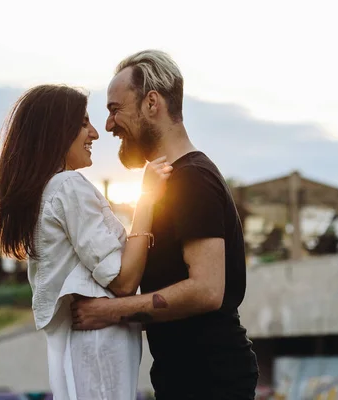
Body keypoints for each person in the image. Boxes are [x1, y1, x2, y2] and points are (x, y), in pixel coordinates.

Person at [71, 50, 260, 399]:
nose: (109, 125)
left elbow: (206, 290)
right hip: (187, 379)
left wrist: (110, 312)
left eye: (115, 110)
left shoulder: (192, 180)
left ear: (151, 103)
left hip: (211, 382)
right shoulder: (165, 186)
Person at [0, 84, 172, 400]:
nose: (95, 133)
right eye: (83, 122)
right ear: (57, 131)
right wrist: (147, 198)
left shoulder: (48, 191)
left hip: (86, 345)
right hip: (98, 346)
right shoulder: (67, 186)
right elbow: (123, 281)